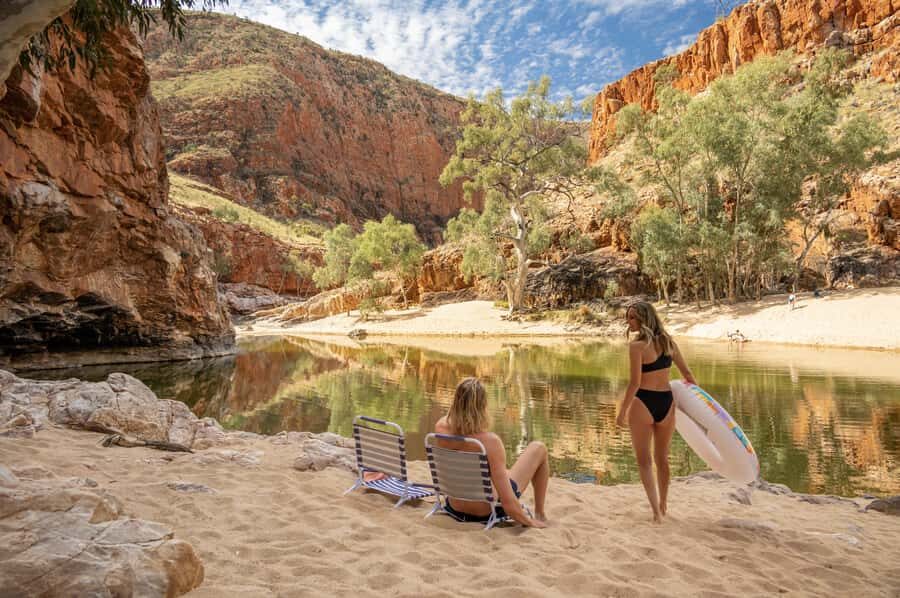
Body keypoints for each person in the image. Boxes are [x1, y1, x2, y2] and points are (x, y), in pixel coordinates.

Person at [616, 301, 696, 523]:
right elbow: (688, 375)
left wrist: (622, 412)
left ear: (644, 318)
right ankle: (663, 504)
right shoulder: (669, 342)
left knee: (644, 462)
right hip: (666, 403)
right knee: (662, 459)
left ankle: (656, 513)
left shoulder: (637, 347)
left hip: (643, 402)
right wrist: (699, 406)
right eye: (628, 317)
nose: (628, 322)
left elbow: (635, 383)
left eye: (632, 317)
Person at [434, 377, 548, 528]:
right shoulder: (490, 442)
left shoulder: (440, 428)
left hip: (455, 507)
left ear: (456, 401)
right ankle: (540, 513)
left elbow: (452, 421)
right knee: (539, 448)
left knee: (500, 472)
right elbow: (508, 502)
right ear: (483, 405)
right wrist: (529, 522)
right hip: (486, 511)